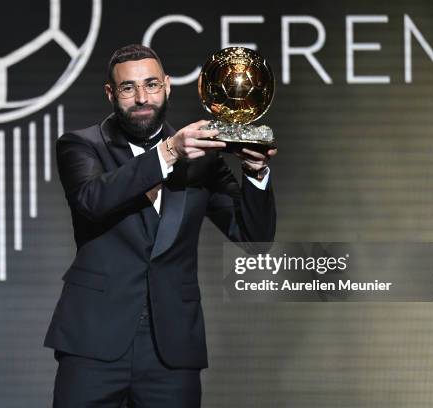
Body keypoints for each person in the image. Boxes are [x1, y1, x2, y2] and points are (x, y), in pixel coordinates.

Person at [44, 44, 277, 407]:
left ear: (168, 86)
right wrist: (168, 152)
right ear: (111, 93)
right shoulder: (81, 145)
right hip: (93, 341)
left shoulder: (203, 160)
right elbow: (92, 200)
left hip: (172, 349)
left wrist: (255, 171)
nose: (141, 97)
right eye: (128, 88)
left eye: (151, 84)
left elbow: (254, 237)